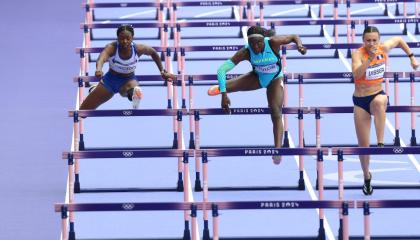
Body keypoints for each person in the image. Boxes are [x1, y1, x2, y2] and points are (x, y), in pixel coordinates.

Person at [207, 26, 307, 164]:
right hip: (257, 78)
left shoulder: (273, 42)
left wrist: (300, 46)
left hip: (274, 79)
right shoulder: (246, 52)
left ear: (264, 40)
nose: (255, 46)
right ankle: (223, 88)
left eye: (258, 43)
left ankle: (277, 149)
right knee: (224, 86)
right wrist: (224, 95)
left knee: (276, 111)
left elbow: (294, 36)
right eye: (252, 43)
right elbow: (221, 69)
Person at [351, 26, 418, 195]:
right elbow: (356, 75)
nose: (371, 43)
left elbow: (400, 40)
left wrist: (412, 57)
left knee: (381, 101)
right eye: (368, 40)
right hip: (360, 101)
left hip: (377, 94)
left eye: (374, 40)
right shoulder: (358, 54)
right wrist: (369, 59)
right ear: (363, 41)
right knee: (363, 147)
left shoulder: (384, 48)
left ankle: (381, 142)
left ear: (379, 40)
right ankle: (367, 176)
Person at [80, 24, 175, 110]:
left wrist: (162, 71)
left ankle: (133, 96)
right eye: (121, 38)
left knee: (133, 90)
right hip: (110, 80)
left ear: (132, 38)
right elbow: (101, 59)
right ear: (117, 38)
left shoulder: (139, 48)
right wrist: (98, 69)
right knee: (83, 112)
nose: (125, 41)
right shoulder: (112, 47)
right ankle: (95, 89)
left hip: (128, 80)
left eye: (128, 38)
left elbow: (153, 53)